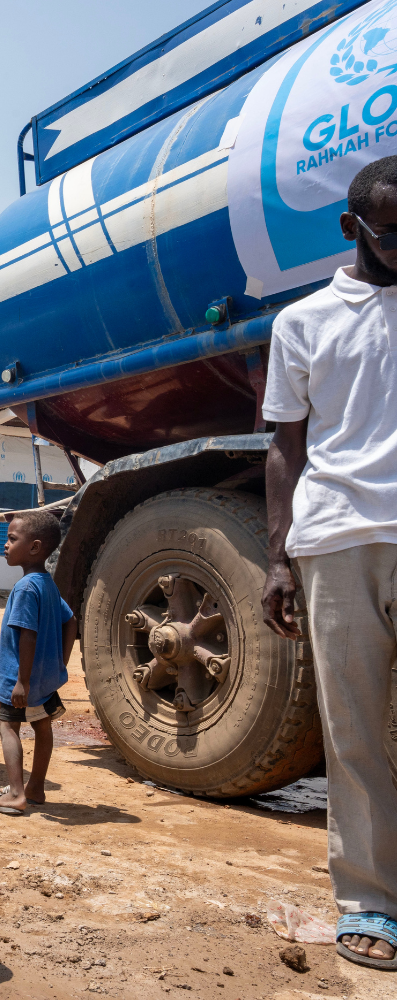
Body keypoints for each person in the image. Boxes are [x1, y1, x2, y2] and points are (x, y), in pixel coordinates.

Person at [261, 156, 397, 971]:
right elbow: (285, 445)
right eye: (390, 231)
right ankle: (372, 901)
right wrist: (278, 560)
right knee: (353, 735)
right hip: (339, 536)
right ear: (351, 228)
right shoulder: (304, 322)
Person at [0, 511, 76, 816]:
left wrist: (21, 681)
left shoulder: (25, 588)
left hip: (19, 678)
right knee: (42, 725)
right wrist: (59, 664)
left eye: (12, 539)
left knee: (7, 726)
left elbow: (27, 636)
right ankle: (36, 788)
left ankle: (16, 794)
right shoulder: (46, 584)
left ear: (35, 547)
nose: (6, 545)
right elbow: (71, 620)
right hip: (44, 680)